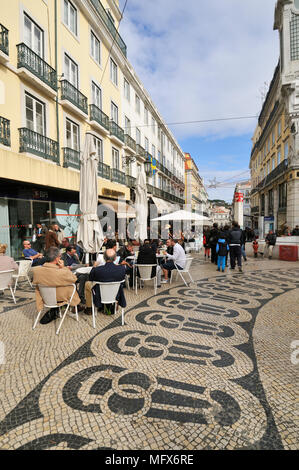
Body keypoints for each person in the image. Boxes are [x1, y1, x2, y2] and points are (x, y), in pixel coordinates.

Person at [33, 246, 81, 324]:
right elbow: (74, 279)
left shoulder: (36, 271)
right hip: (59, 298)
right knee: (71, 286)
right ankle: (74, 307)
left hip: (44, 297)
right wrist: (63, 267)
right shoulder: (61, 272)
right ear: (57, 258)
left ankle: (54, 311)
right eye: (60, 256)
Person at [83, 249, 126, 315]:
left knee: (87, 284)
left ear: (104, 258)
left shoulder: (97, 270)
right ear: (115, 258)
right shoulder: (122, 269)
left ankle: (89, 308)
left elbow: (91, 278)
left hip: (100, 294)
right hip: (115, 293)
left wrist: (94, 266)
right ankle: (113, 303)